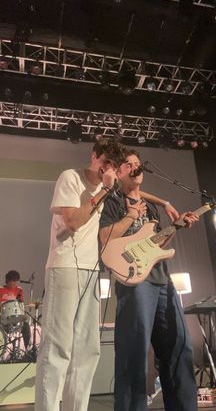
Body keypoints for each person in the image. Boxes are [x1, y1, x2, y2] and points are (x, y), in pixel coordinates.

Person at [99, 149, 199, 411]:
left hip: (161, 279)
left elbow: (158, 243)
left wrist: (177, 226)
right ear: (119, 173)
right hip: (134, 282)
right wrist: (131, 215)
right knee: (134, 353)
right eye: (128, 164)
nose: (135, 167)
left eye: (137, 163)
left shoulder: (151, 206)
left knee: (178, 347)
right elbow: (105, 239)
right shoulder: (113, 202)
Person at [34, 139, 127, 411]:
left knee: (88, 350)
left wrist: (165, 201)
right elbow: (73, 221)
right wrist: (103, 192)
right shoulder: (71, 177)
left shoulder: (106, 188)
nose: (107, 169)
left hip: (91, 270)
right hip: (64, 267)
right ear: (94, 156)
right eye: (104, 162)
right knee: (58, 347)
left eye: (112, 165)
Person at [0, 270, 30, 349]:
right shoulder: (1, 290)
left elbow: (21, 305)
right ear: (8, 281)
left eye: (16, 281)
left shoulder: (19, 290)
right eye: (13, 281)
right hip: (3, 319)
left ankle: (27, 350)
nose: (15, 284)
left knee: (26, 326)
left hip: (16, 318)